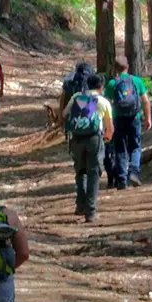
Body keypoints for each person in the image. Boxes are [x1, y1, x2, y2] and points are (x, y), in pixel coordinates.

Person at [63, 73, 114, 222]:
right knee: (93, 173)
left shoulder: (77, 97)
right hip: (94, 139)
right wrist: (107, 138)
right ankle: (90, 211)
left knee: (80, 171)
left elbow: (64, 113)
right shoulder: (103, 101)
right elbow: (110, 127)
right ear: (101, 87)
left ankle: (80, 205)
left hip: (76, 139)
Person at [104, 56, 152, 188]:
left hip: (117, 119)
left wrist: (106, 123)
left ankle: (122, 181)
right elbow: (146, 101)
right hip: (134, 118)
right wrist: (148, 118)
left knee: (119, 148)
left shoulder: (112, 84)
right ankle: (134, 172)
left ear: (115, 69)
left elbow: (105, 104)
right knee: (135, 147)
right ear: (128, 66)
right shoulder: (137, 81)